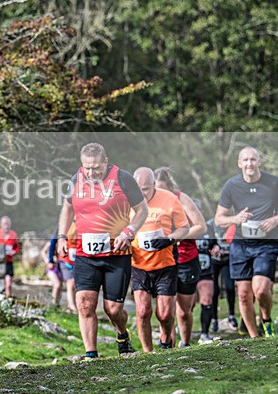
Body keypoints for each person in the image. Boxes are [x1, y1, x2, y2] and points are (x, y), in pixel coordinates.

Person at [57, 143, 148, 359]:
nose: (91, 173)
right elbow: (67, 208)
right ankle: (91, 354)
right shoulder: (75, 179)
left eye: (96, 167)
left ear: (106, 162)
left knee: (113, 309)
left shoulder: (123, 178)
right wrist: (61, 236)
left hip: (116, 255)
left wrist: (129, 231)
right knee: (85, 303)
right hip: (85, 254)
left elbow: (142, 209)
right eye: (87, 168)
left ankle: (122, 334)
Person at [214, 146, 278, 338]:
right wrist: (235, 219)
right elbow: (219, 219)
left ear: (259, 162)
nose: (249, 163)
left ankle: (266, 321)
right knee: (243, 294)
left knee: (260, 290)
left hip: (266, 243)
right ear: (239, 164)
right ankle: (254, 337)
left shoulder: (274, 183)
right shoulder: (231, 186)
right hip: (241, 245)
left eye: (253, 160)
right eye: (246, 160)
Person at [130, 168, 190, 351]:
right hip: (138, 264)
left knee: (164, 314)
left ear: (154, 184)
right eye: (138, 189)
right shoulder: (126, 202)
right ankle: (148, 353)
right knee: (142, 312)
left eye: (146, 189)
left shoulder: (170, 199)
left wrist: (169, 239)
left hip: (166, 263)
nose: (142, 193)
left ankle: (165, 342)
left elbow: (184, 228)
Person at [154, 167, 206, 347]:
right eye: (156, 190)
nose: (160, 193)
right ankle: (167, 344)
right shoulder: (148, 202)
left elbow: (201, 227)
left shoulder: (181, 199)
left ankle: (185, 344)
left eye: (163, 189)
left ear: (170, 186)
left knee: (184, 310)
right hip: (162, 260)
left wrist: (174, 237)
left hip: (186, 258)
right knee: (165, 309)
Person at [207, 217, 238, 331]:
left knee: (230, 287)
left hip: (227, 259)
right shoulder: (210, 224)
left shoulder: (234, 222)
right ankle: (214, 320)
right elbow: (208, 242)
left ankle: (232, 315)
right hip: (213, 261)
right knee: (214, 291)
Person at [46, 222, 78, 312]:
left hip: (78, 260)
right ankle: (71, 306)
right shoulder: (64, 224)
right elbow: (53, 242)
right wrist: (51, 260)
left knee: (76, 284)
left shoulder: (84, 220)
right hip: (65, 260)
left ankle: (68, 305)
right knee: (70, 282)